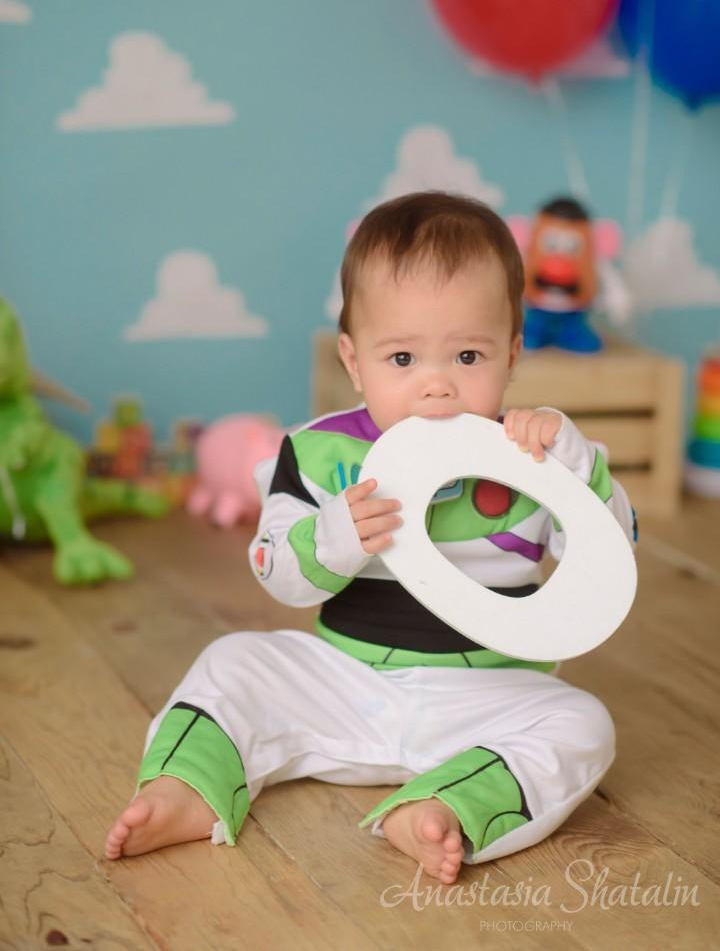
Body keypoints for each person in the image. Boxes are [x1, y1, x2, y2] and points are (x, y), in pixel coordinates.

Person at [105, 191, 636, 885]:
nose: (437, 386)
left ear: (512, 354)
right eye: (403, 359)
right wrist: (335, 537)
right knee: (233, 661)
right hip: (344, 682)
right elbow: (275, 570)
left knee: (584, 724)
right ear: (354, 362)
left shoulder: (532, 455)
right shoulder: (320, 453)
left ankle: (441, 808)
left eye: (469, 355)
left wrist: (577, 475)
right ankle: (189, 786)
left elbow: (606, 562)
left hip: (489, 694)